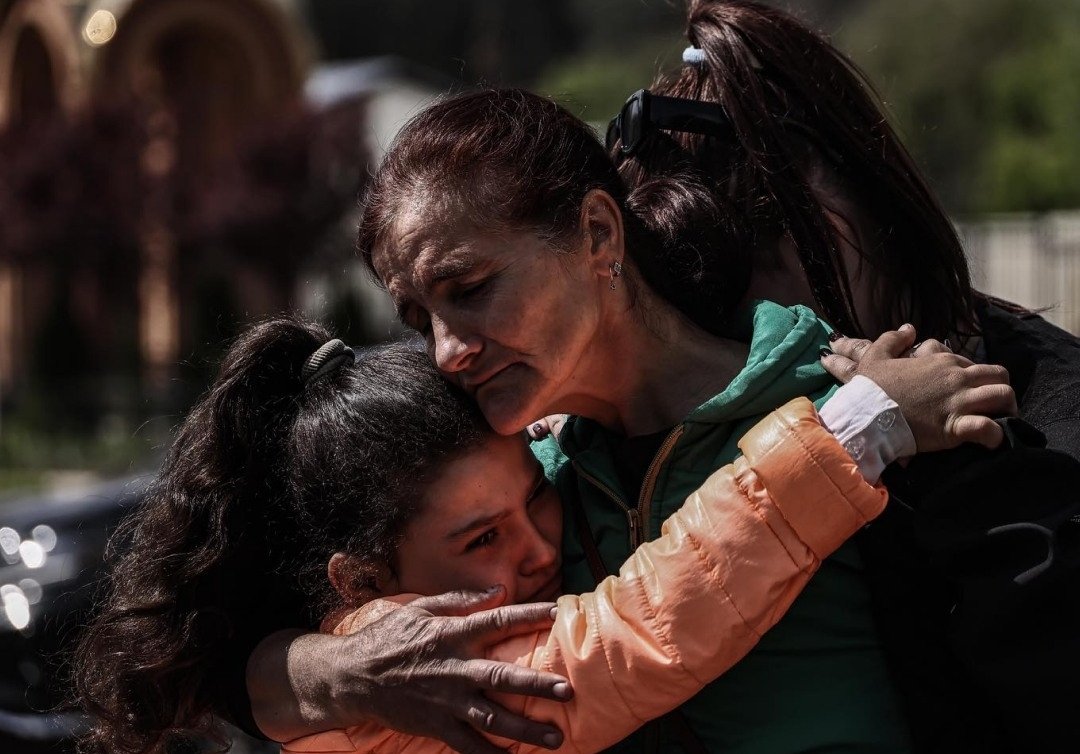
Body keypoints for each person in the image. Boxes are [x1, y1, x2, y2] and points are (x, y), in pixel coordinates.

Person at [227, 81, 1031, 754]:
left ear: (598, 234)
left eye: (469, 289)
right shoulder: (524, 494)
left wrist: (871, 419)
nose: (444, 353)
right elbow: (248, 668)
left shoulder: (841, 395)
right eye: (417, 318)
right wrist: (326, 672)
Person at [76, 317, 960, 754]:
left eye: (532, 497)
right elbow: (635, 633)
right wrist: (859, 428)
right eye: (480, 540)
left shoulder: (328, 659)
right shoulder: (417, 668)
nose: (538, 548)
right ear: (361, 582)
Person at [605, 1, 1080, 749]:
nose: (772, 338)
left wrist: (971, 466)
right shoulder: (645, 450)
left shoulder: (1051, 421)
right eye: (719, 315)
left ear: (859, 194)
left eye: (767, 247)